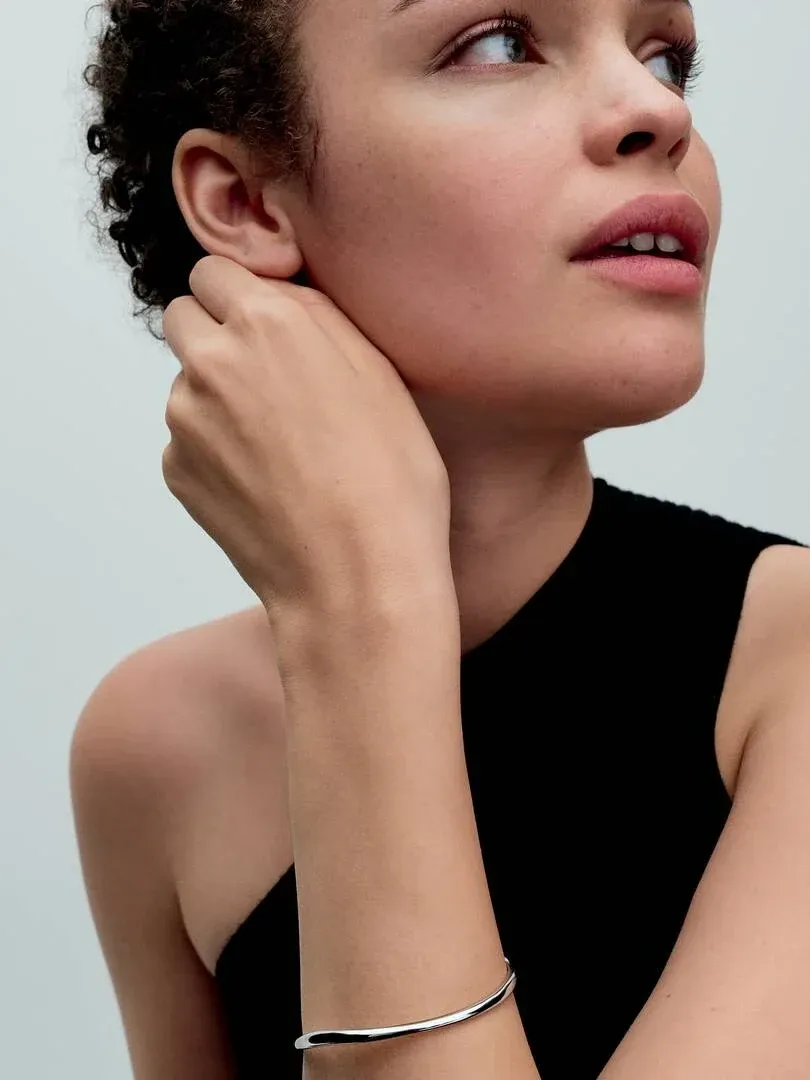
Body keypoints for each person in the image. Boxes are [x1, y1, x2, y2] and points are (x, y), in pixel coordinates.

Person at [69, 0, 810, 1078]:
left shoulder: (789, 668)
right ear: (243, 203)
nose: (657, 109)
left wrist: (359, 620)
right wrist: (360, 610)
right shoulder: (155, 749)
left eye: (666, 57)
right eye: (501, 43)